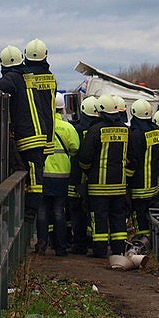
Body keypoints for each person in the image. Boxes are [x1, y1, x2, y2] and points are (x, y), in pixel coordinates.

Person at [0, 40, 56, 221]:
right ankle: (29, 211)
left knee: (34, 179)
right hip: (42, 134)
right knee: (35, 174)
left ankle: (29, 214)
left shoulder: (12, 78)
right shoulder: (31, 77)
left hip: (28, 137)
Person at [77, 94, 135, 258]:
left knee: (99, 218)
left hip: (98, 186)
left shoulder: (95, 131)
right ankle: (118, 250)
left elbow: (85, 158)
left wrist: (88, 172)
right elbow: (132, 157)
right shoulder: (126, 130)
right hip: (119, 186)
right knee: (118, 218)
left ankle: (100, 251)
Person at [36, 94, 79, 256]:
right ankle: (61, 249)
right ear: (62, 108)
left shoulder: (41, 125)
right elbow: (75, 148)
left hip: (43, 175)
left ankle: (42, 246)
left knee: (42, 212)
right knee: (59, 211)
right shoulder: (67, 128)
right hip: (61, 177)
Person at [127, 98, 159, 243]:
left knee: (140, 218)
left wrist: (127, 179)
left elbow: (133, 160)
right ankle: (153, 243)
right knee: (152, 218)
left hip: (138, 186)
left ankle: (141, 243)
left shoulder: (135, 134)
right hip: (155, 187)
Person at [68, 95, 99, 254]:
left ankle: (79, 244)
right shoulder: (99, 130)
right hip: (94, 179)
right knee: (92, 212)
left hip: (76, 177)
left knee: (76, 211)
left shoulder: (76, 129)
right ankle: (92, 241)